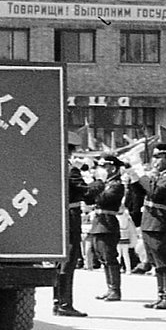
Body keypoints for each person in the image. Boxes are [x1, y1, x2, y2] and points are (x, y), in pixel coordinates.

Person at [130, 143, 166, 310]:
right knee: (155, 263)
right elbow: (142, 193)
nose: (155, 161)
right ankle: (161, 296)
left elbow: (154, 193)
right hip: (149, 222)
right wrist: (134, 180)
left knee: (163, 262)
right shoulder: (158, 176)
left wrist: (141, 174)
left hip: (159, 223)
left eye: (158, 157)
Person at [54, 133, 89, 316]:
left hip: (58, 216)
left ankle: (58, 301)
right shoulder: (71, 171)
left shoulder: (54, 167)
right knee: (70, 259)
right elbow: (88, 193)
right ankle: (65, 304)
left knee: (60, 262)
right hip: (70, 216)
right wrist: (98, 183)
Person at [88, 152, 127, 301]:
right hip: (99, 222)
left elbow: (102, 198)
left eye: (105, 166)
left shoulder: (117, 185)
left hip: (107, 222)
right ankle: (109, 287)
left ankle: (115, 290)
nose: (102, 169)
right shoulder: (106, 184)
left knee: (110, 257)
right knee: (102, 257)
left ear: (112, 168)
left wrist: (96, 184)